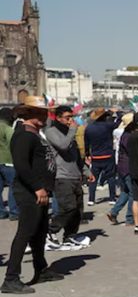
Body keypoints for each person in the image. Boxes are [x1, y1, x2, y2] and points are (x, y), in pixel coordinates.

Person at [3, 99, 64, 294]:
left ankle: (41, 269)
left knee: (39, 233)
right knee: (25, 233)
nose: (45, 117)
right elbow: (21, 165)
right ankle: (11, 278)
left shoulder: (35, 133)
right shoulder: (24, 135)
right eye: (41, 113)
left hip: (41, 191)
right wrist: (38, 188)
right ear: (29, 113)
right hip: (30, 192)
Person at [44, 105, 93, 250]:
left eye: (71, 117)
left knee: (78, 210)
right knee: (68, 208)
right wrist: (73, 130)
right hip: (62, 176)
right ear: (58, 118)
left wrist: (86, 171)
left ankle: (70, 236)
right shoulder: (52, 132)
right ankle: (50, 232)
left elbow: (76, 156)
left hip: (75, 176)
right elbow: (63, 146)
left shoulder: (70, 133)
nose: (70, 120)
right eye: (67, 118)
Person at [84, 108, 118, 205]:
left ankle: (91, 199)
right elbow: (119, 122)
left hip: (96, 156)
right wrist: (115, 113)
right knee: (111, 177)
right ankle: (112, 198)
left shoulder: (89, 128)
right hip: (108, 155)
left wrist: (87, 154)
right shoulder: (108, 126)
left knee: (93, 178)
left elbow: (86, 143)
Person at [107, 113, 135, 226]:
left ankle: (114, 212)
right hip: (127, 167)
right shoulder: (128, 136)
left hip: (121, 165)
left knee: (126, 192)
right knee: (133, 193)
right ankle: (130, 218)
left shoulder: (123, 134)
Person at [0, 107, 18, 220]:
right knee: (14, 186)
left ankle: (1, 212)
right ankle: (14, 212)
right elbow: (14, 143)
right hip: (8, 162)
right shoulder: (7, 129)